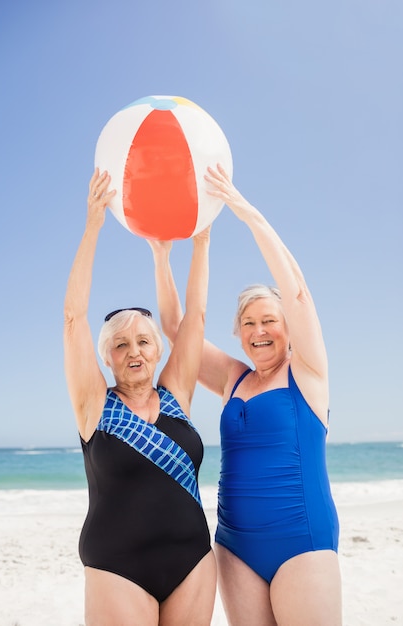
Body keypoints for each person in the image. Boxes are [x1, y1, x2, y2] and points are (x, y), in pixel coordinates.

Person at [149, 164, 342, 626]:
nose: (260, 330)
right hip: (234, 545)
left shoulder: (308, 373)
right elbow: (178, 328)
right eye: (249, 322)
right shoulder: (233, 379)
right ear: (238, 333)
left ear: (289, 329)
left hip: (302, 540)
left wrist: (244, 211)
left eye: (270, 320)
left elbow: (298, 294)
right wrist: (165, 255)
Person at [63, 168, 216, 626]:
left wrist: (200, 244)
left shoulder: (177, 395)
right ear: (107, 358)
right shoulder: (94, 405)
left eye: (144, 342)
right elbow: (74, 317)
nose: (134, 352)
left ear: (158, 350)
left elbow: (196, 319)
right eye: (121, 345)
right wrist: (93, 226)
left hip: (192, 560)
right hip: (117, 566)